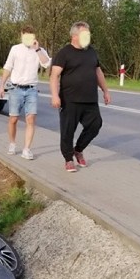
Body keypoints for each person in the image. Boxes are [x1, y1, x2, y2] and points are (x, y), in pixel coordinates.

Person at [49, 22, 111, 173]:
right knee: (68, 131)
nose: (87, 37)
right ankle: (68, 159)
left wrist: (105, 91)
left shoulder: (91, 52)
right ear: (74, 36)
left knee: (95, 125)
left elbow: (98, 72)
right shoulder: (64, 53)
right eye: (85, 34)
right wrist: (55, 95)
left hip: (90, 99)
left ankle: (78, 149)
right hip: (69, 99)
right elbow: (54, 75)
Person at [0, 26, 52, 160]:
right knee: (13, 119)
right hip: (16, 88)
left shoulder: (39, 50)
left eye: (31, 36)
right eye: (25, 36)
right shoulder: (15, 49)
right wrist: (1, 86)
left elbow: (46, 64)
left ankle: (27, 149)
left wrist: (38, 49)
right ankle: (12, 143)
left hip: (31, 89)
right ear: (21, 35)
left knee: (31, 119)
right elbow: (8, 67)